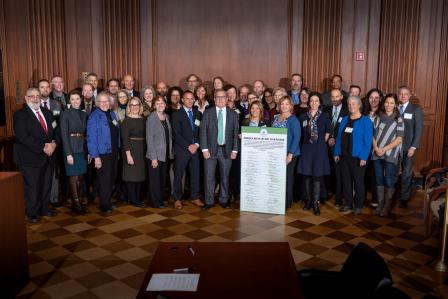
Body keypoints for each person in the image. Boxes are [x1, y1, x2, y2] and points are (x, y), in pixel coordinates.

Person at [13, 88, 58, 223]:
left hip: (49, 155)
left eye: (37, 96)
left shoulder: (48, 113)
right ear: (26, 99)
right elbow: (23, 137)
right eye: (32, 96)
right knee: (32, 186)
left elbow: (55, 130)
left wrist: (54, 144)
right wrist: (44, 147)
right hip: (30, 157)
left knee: (46, 184)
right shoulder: (20, 115)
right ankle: (32, 212)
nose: (35, 99)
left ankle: (44, 208)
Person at [200, 89, 240, 211]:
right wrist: (204, 149)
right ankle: (209, 201)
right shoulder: (208, 113)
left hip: (226, 150)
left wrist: (235, 150)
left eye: (223, 97)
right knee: (209, 176)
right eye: (218, 97)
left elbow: (235, 133)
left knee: (225, 177)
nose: (221, 99)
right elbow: (203, 132)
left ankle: (224, 199)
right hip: (210, 150)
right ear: (214, 99)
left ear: (227, 99)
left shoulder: (233, 114)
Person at [334, 96, 373, 215]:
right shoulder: (345, 119)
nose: (351, 106)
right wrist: (336, 152)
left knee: (358, 182)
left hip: (358, 158)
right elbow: (339, 137)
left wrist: (363, 157)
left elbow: (368, 141)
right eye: (349, 104)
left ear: (359, 105)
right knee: (346, 181)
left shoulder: (365, 121)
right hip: (344, 157)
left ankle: (359, 205)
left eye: (354, 104)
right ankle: (348, 204)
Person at [297, 93, 330, 216]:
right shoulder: (302, 116)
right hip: (306, 149)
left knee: (316, 176)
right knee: (306, 175)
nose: (314, 103)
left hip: (319, 149)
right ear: (309, 102)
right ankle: (308, 200)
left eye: (316, 101)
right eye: (312, 100)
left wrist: (320, 143)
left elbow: (328, 133)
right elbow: (300, 134)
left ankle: (316, 202)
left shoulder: (325, 116)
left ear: (319, 102)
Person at [87, 92, 120, 213]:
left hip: (114, 151)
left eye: (107, 101)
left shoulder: (111, 114)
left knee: (112, 177)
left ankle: (108, 200)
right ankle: (104, 204)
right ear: (97, 103)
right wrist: (96, 157)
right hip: (102, 153)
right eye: (102, 101)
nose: (105, 103)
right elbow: (91, 137)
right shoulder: (94, 116)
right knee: (104, 179)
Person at [372, 93, 404, 216]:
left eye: (391, 103)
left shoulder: (398, 119)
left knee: (389, 180)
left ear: (395, 105)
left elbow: (399, 139)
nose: (388, 105)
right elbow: (373, 135)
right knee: (379, 179)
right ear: (383, 103)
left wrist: (384, 149)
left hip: (390, 153)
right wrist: (376, 148)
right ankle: (380, 204)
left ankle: (387, 206)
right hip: (377, 153)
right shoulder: (378, 117)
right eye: (386, 102)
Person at [171, 91, 204, 209]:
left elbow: (201, 132)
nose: (189, 101)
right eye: (187, 99)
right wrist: (188, 146)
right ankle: (177, 199)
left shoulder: (198, 114)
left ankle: (195, 197)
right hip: (182, 150)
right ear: (182, 100)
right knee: (179, 175)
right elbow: (176, 134)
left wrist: (196, 144)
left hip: (195, 149)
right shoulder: (176, 115)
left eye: (191, 99)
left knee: (195, 174)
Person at [60, 90, 88, 214]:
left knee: (80, 176)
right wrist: (68, 153)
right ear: (69, 101)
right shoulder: (65, 114)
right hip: (71, 147)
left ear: (81, 100)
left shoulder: (84, 114)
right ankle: (76, 203)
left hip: (81, 147)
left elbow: (86, 133)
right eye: (73, 99)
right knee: (73, 176)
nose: (76, 101)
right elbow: (64, 135)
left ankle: (78, 200)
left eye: (77, 99)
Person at [271, 96, 301, 209]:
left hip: (289, 154)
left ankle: (286, 202)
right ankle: (277, 199)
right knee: (278, 178)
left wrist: (290, 154)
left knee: (288, 179)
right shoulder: (276, 117)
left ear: (291, 106)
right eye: (282, 104)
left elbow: (297, 137)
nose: (284, 106)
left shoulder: (293, 119)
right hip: (277, 153)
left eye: (286, 104)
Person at [397, 86, 423, 208]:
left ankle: (404, 198)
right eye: (401, 94)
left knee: (406, 173)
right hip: (394, 147)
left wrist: (414, 147)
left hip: (408, 147)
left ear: (410, 95)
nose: (403, 96)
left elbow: (418, 130)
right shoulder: (395, 107)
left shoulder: (415, 109)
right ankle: (393, 195)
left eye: (405, 94)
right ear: (398, 95)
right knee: (393, 172)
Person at [146, 96, 173, 208]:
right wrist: (153, 158)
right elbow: (149, 139)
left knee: (162, 178)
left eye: (162, 103)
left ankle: (160, 199)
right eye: (157, 103)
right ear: (154, 105)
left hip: (165, 154)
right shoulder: (151, 118)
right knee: (155, 180)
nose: (160, 105)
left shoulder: (166, 116)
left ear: (165, 105)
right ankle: (155, 201)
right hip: (155, 155)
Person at [323, 88, 348, 207]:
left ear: (342, 97)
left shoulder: (347, 110)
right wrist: (328, 139)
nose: (335, 99)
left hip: (340, 146)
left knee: (339, 173)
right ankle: (326, 193)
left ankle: (338, 197)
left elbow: (348, 130)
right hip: (326, 145)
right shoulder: (326, 109)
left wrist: (335, 139)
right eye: (333, 97)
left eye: (337, 96)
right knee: (328, 170)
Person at [121, 97, 146, 208]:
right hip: (131, 149)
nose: (135, 107)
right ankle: (132, 198)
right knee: (131, 175)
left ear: (140, 106)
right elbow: (125, 139)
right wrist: (128, 155)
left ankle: (136, 196)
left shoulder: (143, 119)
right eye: (132, 105)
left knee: (140, 174)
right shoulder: (126, 120)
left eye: (137, 105)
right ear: (129, 107)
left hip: (142, 149)